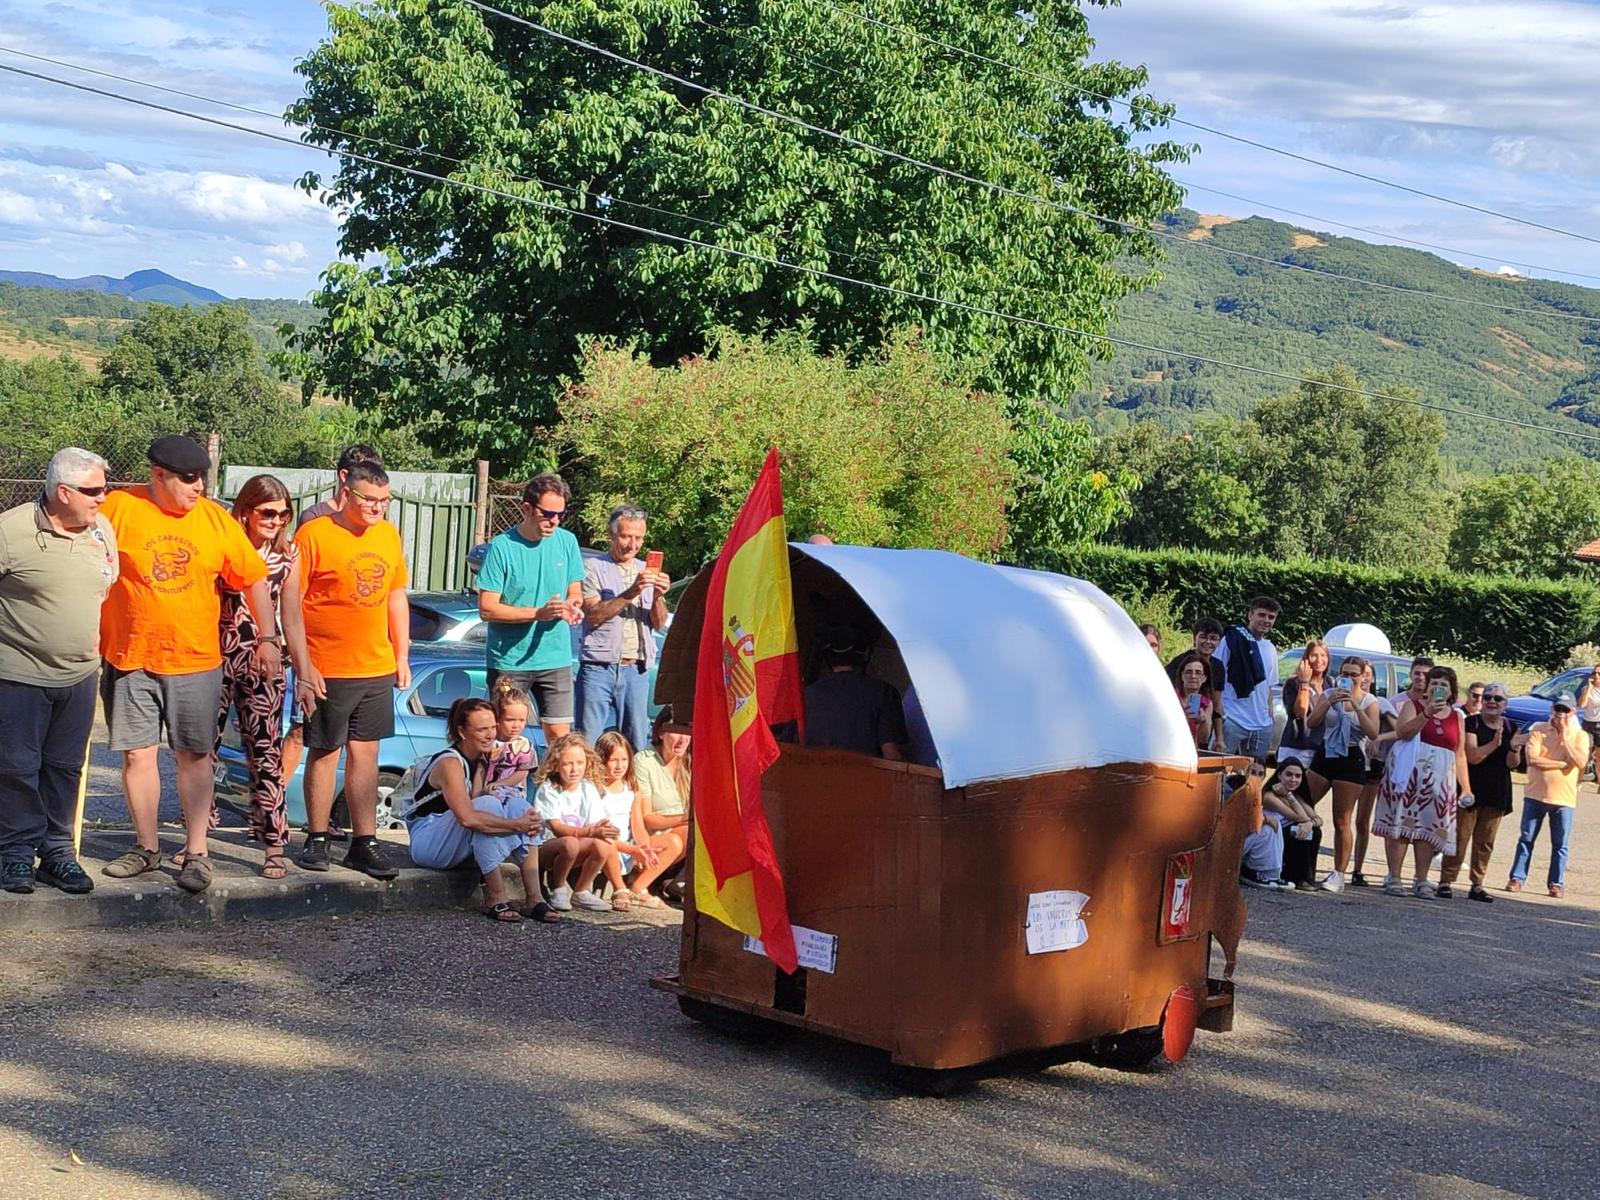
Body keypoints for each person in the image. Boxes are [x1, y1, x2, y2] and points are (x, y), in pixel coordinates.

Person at [98, 436, 278, 894]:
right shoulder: (120, 508)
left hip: (195, 659)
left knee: (194, 757)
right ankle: (146, 847)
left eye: (202, 477)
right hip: (130, 655)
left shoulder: (215, 519)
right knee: (137, 755)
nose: (199, 486)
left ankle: (197, 852)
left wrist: (268, 637)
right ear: (159, 476)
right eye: (188, 478)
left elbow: (254, 580)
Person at [0, 448, 119, 896]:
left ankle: (57, 855)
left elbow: (105, 586)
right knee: (15, 768)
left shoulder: (101, 531)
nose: (103, 499)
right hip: (17, 676)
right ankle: (13, 856)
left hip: (80, 676)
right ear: (62, 492)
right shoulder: (11, 531)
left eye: (104, 489)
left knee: (66, 768)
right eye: (93, 491)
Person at [292, 461, 409, 879]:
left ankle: (364, 842)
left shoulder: (388, 535)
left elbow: (396, 595)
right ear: (348, 493)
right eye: (369, 500)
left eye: (383, 501)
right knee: (325, 750)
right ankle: (317, 837)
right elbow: (292, 603)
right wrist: (305, 664)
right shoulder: (315, 534)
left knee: (367, 754)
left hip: (374, 665)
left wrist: (401, 654)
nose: (377, 508)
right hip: (328, 664)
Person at [214, 475, 315, 879]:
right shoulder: (225, 546)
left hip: (265, 662)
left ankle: (274, 843)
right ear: (246, 510)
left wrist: (304, 673)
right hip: (214, 655)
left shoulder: (288, 556)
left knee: (266, 753)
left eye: (283, 513)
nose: (275, 520)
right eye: (267, 512)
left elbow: (292, 615)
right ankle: (198, 838)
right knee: (202, 750)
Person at [403, 697, 556, 924]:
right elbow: (467, 818)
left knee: (520, 806)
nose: (491, 734)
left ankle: (534, 897)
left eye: (493, 727)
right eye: (482, 729)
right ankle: (495, 896)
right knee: (488, 804)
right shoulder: (450, 763)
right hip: (429, 841)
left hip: (458, 841)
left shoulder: (490, 758)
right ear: (462, 732)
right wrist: (517, 826)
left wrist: (525, 818)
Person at [477, 473, 584, 741]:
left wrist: (572, 606)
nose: (554, 521)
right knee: (503, 735)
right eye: (548, 513)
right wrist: (537, 614)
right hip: (510, 661)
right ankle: (496, 784)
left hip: (556, 657)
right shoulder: (502, 548)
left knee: (561, 738)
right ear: (527, 509)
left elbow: (575, 592)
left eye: (560, 514)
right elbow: (487, 609)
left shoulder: (567, 542)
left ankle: (551, 784)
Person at [1373, 665, 1471, 898]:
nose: (1438, 688)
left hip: (1439, 779)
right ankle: (1394, 876)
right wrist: (1425, 713)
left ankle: (1422, 878)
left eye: (1443, 685)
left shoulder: (1457, 717)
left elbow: (1460, 753)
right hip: (1409, 775)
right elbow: (1404, 732)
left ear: (1451, 691)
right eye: (1434, 683)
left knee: (1429, 827)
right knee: (1402, 825)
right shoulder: (1413, 706)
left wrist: (1465, 787)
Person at [577, 503, 670, 749]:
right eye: (626, 536)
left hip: (636, 669)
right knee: (588, 741)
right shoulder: (593, 567)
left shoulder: (646, 569)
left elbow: (658, 624)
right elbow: (593, 615)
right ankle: (588, 786)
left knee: (637, 743)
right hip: (599, 667)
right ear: (611, 534)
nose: (633, 544)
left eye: (639, 538)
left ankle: (633, 787)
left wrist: (659, 595)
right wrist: (631, 592)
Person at [1441, 683, 1524, 902]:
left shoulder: (1510, 726)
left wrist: (1514, 748)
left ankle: (1477, 884)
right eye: (1487, 697)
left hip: (1497, 791)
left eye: (1497, 699)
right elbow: (1473, 756)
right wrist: (1496, 744)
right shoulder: (1472, 722)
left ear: (1505, 705)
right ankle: (1446, 880)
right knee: (1460, 837)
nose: (1491, 702)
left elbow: (1512, 764)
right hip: (1471, 789)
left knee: (1485, 841)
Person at [1305, 654, 1381, 892]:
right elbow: (1311, 723)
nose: (1347, 678)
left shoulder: (1369, 701)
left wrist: (1356, 706)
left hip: (1351, 758)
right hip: (1326, 753)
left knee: (1342, 819)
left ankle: (1339, 873)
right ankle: (1298, 863)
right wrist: (1328, 702)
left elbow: (1374, 732)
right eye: (1344, 674)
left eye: (1353, 675)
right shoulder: (1329, 694)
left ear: (1362, 677)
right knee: (1303, 805)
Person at [1508, 692, 1588, 900]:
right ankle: (1517, 878)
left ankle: (1556, 883)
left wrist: (1563, 736)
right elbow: (1533, 759)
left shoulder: (1580, 736)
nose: (1561, 714)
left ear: (1573, 712)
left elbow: (1579, 761)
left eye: (1565, 710)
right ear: (1552, 710)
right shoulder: (1539, 730)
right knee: (1526, 838)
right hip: (1536, 794)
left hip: (1564, 799)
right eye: (1558, 709)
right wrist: (1562, 764)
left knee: (1560, 844)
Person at [531, 733, 618, 911]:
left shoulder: (587, 787)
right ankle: (558, 888)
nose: (574, 769)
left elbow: (596, 822)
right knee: (570, 843)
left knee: (604, 845)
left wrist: (606, 830)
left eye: (580, 763)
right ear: (555, 765)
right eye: (567, 764)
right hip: (545, 848)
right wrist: (592, 832)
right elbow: (556, 828)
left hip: (576, 844)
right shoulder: (549, 789)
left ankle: (581, 891)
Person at [593, 730, 674, 910]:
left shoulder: (631, 786)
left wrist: (644, 848)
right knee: (606, 842)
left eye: (624, 760)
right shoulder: (595, 788)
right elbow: (602, 830)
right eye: (613, 760)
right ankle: (619, 888)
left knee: (673, 842)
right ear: (602, 759)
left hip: (628, 844)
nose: (619, 766)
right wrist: (632, 850)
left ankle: (639, 886)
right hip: (608, 842)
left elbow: (637, 823)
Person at [803, 624, 908, 759]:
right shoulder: (884, 693)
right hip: (864, 777)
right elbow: (891, 754)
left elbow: (787, 748)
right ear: (865, 655)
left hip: (810, 775)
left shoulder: (806, 695)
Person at [633, 706, 691, 902]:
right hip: (652, 835)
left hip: (681, 833)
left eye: (687, 733)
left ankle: (679, 882)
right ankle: (642, 885)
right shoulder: (644, 760)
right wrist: (685, 818)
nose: (683, 739)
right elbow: (647, 819)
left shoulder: (689, 761)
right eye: (676, 732)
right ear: (660, 732)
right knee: (692, 831)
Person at [1213, 597, 1280, 762]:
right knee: (1218, 770)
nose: (1266, 620)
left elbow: (1269, 687)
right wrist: (1219, 712)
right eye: (1261, 615)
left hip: (1261, 724)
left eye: (1271, 617)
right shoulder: (1230, 640)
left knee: (1254, 776)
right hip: (1232, 719)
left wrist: (1270, 717)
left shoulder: (1271, 649)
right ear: (1250, 615)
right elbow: (1217, 675)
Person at [1350, 660, 1396, 887]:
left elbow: (1400, 730)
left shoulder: (1382, 702)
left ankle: (1357, 868)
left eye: (1368, 674)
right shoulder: (1345, 696)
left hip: (1372, 764)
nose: (1365, 678)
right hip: (1348, 759)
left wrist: (1378, 738)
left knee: (1362, 819)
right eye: (1362, 674)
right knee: (1343, 816)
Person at [1262, 759, 1323, 891]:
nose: (1293, 779)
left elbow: (1318, 819)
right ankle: (1295, 876)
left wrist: (1310, 824)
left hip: (1286, 837)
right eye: (1288, 775)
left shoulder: (1298, 796)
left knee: (1314, 831)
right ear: (1279, 775)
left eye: (1298, 776)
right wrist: (1288, 796)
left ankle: (1306, 877)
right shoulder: (1269, 796)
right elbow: (1301, 817)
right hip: (1273, 838)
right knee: (1297, 829)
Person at [295, 443, 382, 530]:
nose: (373, 483)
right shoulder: (314, 517)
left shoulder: (373, 518)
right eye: (365, 477)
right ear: (344, 475)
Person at [1278, 638, 1331, 770]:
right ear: (1306, 659)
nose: (1319, 660)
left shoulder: (1329, 683)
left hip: (1320, 747)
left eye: (1323, 655)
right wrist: (1304, 684)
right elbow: (1299, 713)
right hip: (1297, 746)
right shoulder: (1293, 683)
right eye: (1314, 655)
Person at [1165, 617, 1225, 724]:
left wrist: (1219, 737)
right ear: (1194, 638)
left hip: (1204, 721)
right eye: (1203, 637)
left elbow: (1216, 705)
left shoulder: (1218, 666)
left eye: (1213, 638)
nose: (1208, 642)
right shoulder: (1180, 662)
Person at [486, 682, 536, 794]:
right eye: (510, 720)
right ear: (498, 717)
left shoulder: (524, 745)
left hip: (513, 794)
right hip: (487, 792)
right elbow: (480, 769)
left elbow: (522, 773)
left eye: (521, 720)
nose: (516, 725)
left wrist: (499, 784)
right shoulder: (489, 742)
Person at [1174, 658, 1216, 750]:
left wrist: (1203, 722)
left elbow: (1203, 741)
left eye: (1198, 673)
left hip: (1191, 750)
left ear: (1204, 678)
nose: (1193, 676)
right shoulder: (1171, 696)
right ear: (1182, 676)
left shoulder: (1207, 704)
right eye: (1188, 672)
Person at [1576, 665, 1600, 783]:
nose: (1596, 676)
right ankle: (1578, 781)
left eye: (1599, 674)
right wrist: (1589, 688)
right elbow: (1582, 705)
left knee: (1599, 757)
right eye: (1594, 673)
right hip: (1588, 724)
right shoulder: (1587, 689)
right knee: (1585, 754)